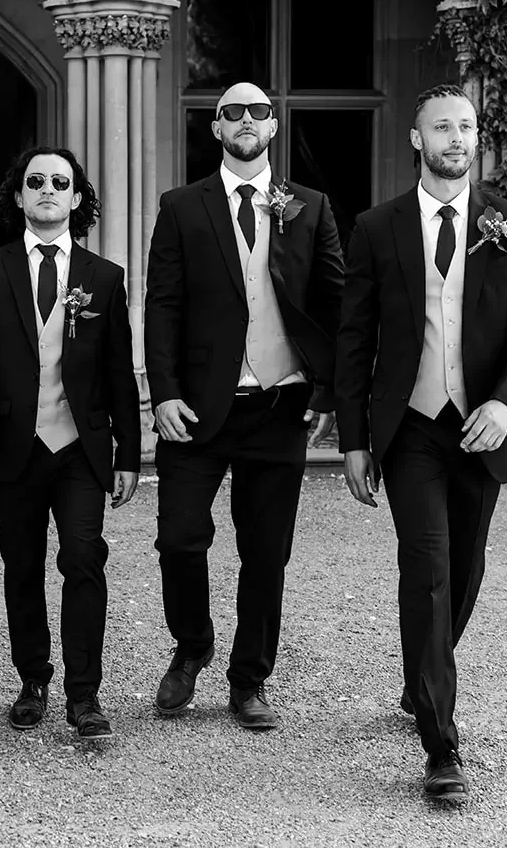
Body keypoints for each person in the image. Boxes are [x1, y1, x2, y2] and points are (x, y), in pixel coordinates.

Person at [335, 83, 507, 803]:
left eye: (466, 127)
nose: (456, 139)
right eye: (442, 128)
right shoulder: (377, 226)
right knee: (425, 569)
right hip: (412, 428)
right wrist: (355, 439)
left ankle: (420, 676)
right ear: (417, 140)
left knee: (464, 570)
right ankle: (441, 746)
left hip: (481, 424)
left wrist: (503, 402)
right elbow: (355, 336)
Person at [143, 82, 345, 731]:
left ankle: (249, 676)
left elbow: (334, 304)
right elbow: (163, 304)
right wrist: (164, 390)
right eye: (233, 111)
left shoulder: (309, 207)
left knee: (266, 553)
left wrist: (327, 389)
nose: (248, 119)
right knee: (178, 536)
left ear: (274, 126)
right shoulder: (181, 206)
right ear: (216, 127)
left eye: (260, 110)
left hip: (280, 407)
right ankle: (192, 642)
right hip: (197, 407)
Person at [0, 146, 140, 740]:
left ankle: (85, 695)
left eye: (61, 182)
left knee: (84, 559)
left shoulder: (104, 277)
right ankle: (33, 680)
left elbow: (117, 370)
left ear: (77, 198)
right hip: (14, 444)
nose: (48, 190)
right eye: (35, 182)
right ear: (20, 196)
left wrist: (128, 454)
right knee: (22, 566)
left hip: (80, 448)